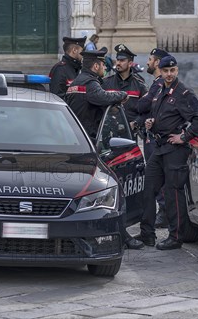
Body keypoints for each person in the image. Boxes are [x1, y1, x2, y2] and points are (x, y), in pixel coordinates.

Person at [65, 50, 143, 250]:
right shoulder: (91, 84)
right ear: (96, 66)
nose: (106, 68)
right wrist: (122, 95)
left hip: (74, 145)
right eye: (102, 64)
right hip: (91, 147)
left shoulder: (75, 84)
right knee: (108, 191)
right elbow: (102, 98)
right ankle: (118, 234)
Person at [136, 55, 198, 250]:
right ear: (161, 70)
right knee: (149, 188)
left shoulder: (184, 93)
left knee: (173, 193)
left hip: (175, 149)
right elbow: (157, 114)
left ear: (177, 71)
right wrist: (152, 123)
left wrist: (184, 138)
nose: (168, 74)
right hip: (159, 148)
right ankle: (147, 235)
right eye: (165, 71)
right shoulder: (160, 89)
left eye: (172, 71)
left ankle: (176, 237)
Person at [137, 47, 170, 228]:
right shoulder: (157, 83)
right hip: (151, 135)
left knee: (157, 175)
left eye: (150, 59)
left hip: (156, 138)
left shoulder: (159, 84)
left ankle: (163, 212)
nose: (148, 62)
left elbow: (143, 105)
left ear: (157, 62)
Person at [102, 44, 148, 132]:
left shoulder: (140, 85)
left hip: (130, 133)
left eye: (122, 60)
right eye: (118, 60)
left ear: (130, 63)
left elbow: (147, 110)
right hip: (108, 132)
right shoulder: (106, 83)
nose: (118, 63)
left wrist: (135, 123)